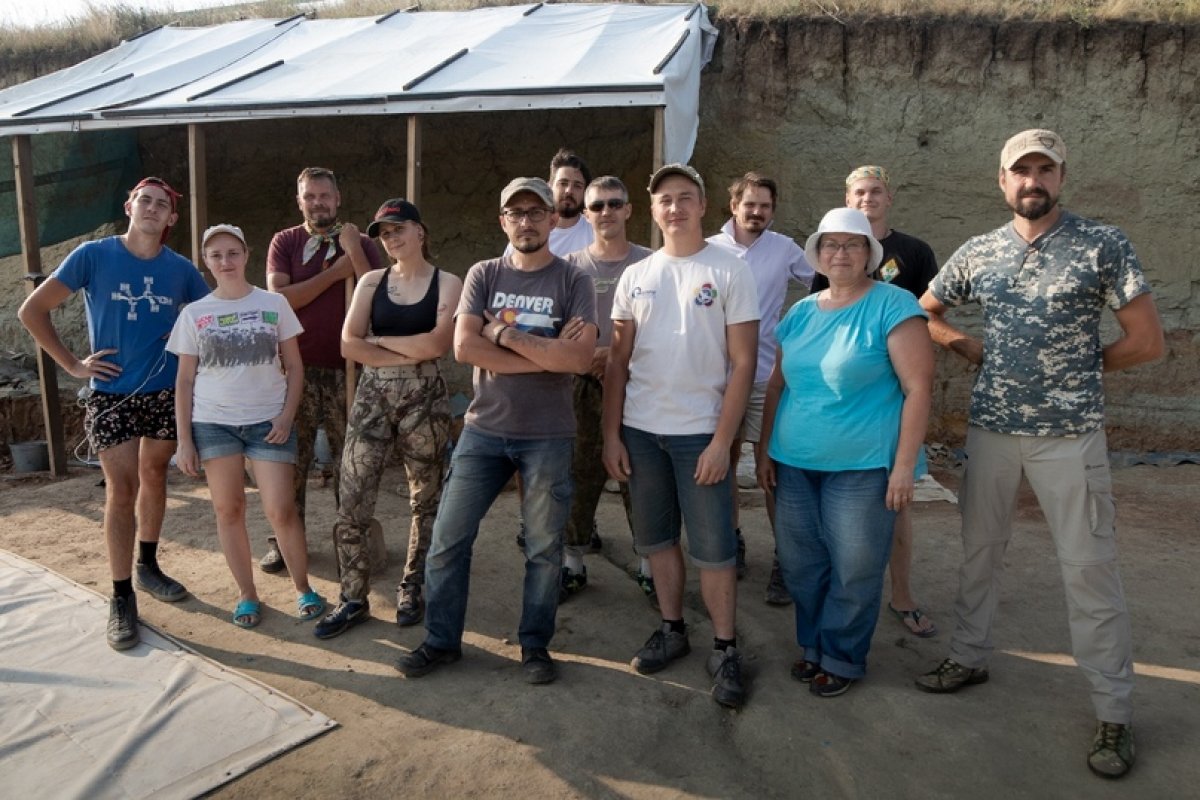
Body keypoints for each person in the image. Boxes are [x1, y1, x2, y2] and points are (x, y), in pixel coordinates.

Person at [914, 129, 1164, 779]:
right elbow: (928, 309)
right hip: (992, 431)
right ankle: (968, 656)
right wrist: (962, 344)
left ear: (1061, 177)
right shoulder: (981, 251)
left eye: (1043, 169)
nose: (1032, 180)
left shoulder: (1101, 244)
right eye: (1019, 170)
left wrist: (1079, 371)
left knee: (1088, 568)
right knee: (979, 551)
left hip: (1069, 436)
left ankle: (1113, 711)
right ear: (1002, 181)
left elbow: (1145, 340)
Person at [395, 177, 596, 684]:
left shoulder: (575, 282)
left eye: (536, 212)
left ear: (553, 219)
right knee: (447, 540)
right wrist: (548, 357)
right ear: (502, 220)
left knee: (545, 549)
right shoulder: (484, 274)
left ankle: (535, 647)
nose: (525, 221)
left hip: (548, 433)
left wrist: (503, 334)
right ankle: (441, 642)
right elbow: (465, 349)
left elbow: (578, 359)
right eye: (516, 213)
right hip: (484, 431)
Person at [19, 176, 210, 651]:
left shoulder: (181, 269)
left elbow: (211, 319)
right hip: (112, 395)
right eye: (143, 200)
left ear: (171, 218)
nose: (150, 208)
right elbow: (32, 310)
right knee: (122, 490)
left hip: (165, 392)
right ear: (129, 206)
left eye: (160, 204)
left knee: (155, 477)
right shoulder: (92, 256)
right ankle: (121, 595)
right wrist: (72, 365)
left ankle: (148, 565)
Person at [756, 207, 933, 698]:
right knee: (800, 564)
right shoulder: (801, 313)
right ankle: (812, 646)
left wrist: (903, 467)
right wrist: (766, 451)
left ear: (869, 254)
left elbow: (918, 388)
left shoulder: (894, 306)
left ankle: (842, 656)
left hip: (863, 466)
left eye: (852, 244)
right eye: (831, 244)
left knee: (855, 567)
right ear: (817, 254)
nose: (841, 253)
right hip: (794, 461)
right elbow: (776, 387)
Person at [603, 164, 759, 709]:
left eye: (685, 197)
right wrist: (611, 435)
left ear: (704, 204)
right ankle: (673, 628)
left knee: (715, 551)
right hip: (643, 433)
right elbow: (618, 364)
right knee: (658, 541)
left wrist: (722, 442)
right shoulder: (636, 275)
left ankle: (725, 645)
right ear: (653, 210)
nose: (675, 208)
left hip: (700, 436)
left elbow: (743, 365)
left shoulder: (731, 270)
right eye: (665, 199)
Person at [315, 199, 461, 639]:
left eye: (399, 229)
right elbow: (347, 345)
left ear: (420, 232)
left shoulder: (447, 282)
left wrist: (377, 339)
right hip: (373, 396)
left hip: (425, 397)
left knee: (426, 498)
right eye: (384, 233)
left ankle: (413, 585)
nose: (392, 238)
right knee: (352, 497)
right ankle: (353, 597)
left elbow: (437, 345)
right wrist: (402, 344)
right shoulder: (371, 283)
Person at [168, 224, 325, 628]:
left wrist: (287, 415)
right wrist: (184, 440)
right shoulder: (194, 314)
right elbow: (184, 380)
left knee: (281, 509)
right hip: (214, 423)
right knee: (229, 510)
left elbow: (294, 366)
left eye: (232, 252)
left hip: (268, 422)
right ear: (206, 262)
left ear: (246, 255)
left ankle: (303, 588)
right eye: (216, 255)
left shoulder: (274, 304)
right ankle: (247, 595)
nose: (226, 261)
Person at [830, 164, 943, 637]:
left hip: (896, 393)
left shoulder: (914, 251)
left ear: (889, 197)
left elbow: (931, 314)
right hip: (848, 400)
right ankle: (842, 592)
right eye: (859, 192)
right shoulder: (835, 253)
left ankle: (901, 594)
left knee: (897, 497)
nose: (868, 199)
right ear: (847, 198)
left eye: (875, 191)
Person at [263, 167, 382, 572]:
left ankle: (352, 538)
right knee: (289, 462)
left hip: (348, 369)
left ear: (338, 198)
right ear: (300, 202)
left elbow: (377, 297)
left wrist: (355, 253)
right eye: (309, 196)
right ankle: (282, 540)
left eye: (324, 196)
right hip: (292, 371)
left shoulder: (363, 243)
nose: (318, 203)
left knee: (351, 462)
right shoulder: (286, 242)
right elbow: (280, 299)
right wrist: (334, 273)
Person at [706, 171, 813, 602]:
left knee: (773, 469)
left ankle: (785, 560)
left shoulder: (786, 248)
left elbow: (821, 286)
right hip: (717, 376)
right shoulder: (709, 249)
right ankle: (732, 543)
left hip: (768, 375)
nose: (757, 213)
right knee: (723, 465)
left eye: (765, 206)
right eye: (749, 204)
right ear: (733, 205)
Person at [559, 176, 652, 603]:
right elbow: (560, 330)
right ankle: (572, 562)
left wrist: (615, 356)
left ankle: (651, 564)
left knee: (640, 475)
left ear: (630, 210)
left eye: (615, 204)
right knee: (580, 473)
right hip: (581, 385)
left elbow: (663, 330)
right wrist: (591, 356)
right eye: (597, 206)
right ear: (585, 213)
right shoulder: (570, 266)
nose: (607, 213)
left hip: (639, 385)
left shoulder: (651, 264)